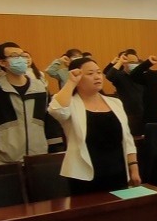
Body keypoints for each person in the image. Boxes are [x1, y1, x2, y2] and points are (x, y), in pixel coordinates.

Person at [48, 57, 141, 194]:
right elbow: (56, 110)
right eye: (90, 74)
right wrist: (71, 82)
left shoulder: (115, 103)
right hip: (84, 175)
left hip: (118, 171)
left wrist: (134, 168)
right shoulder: (71, 103)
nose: (97, 77)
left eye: (98, 72)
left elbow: (127, 138)